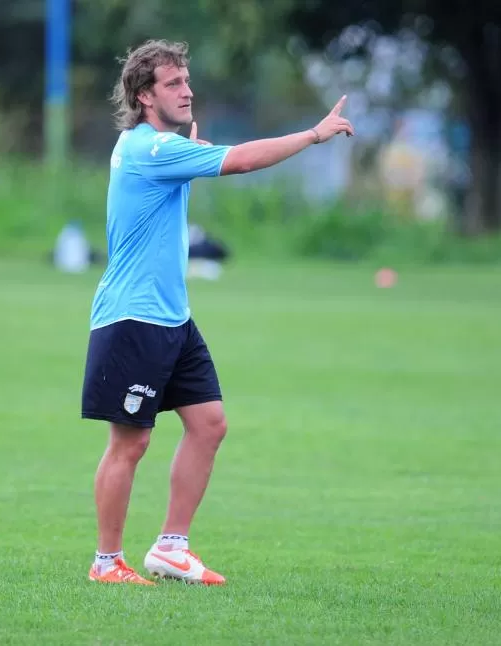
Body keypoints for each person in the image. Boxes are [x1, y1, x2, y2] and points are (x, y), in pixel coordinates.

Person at [82, 39, 354, 585]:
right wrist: (313, 134)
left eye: (187, 80)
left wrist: (190, 150)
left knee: (208, 424)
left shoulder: (157, 147)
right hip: (133, 317)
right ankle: (106, 563)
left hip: (173, 317)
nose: (187, 90)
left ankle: (171, 547)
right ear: (143, 95)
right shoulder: (150, 150)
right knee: (130, 443)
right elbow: (244, 160)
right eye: (173, 83)